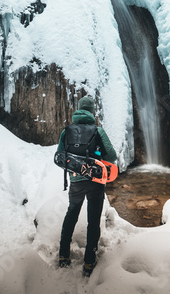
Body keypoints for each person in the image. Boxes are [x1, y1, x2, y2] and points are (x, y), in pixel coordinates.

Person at [57, 95, 117, 277]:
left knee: (71, 214)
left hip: (75, 182)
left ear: (79, 109)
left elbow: (60, 156)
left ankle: (63, 256)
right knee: (93, 220)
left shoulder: (66, 131)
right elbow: (112, 156)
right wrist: (96, 158)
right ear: (91, 111)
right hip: (95, 183)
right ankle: (89, 262)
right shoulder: (97, 131)